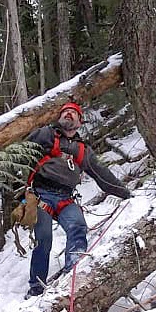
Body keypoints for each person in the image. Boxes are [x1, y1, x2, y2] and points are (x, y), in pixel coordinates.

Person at [25, 101, 131, 298]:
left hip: (66, 198)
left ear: (80, 122)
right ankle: (36, 287)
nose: (68, 114)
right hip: (41, 196)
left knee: (78, 227)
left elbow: (102, 175)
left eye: (73, 113)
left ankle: (73, 272)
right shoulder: (45, 135)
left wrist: (126, 194)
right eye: (65, 112)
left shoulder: (83, 150)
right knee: (44, 239)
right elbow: (22, 154)